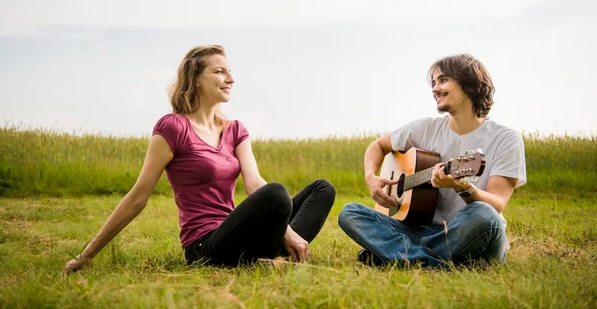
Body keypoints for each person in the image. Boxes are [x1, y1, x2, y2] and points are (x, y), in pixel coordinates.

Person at [64, 45, 335, 272]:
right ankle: (270, 260)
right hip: (206, 245)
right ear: (195, 78)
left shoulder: (235, 129)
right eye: (219, 72)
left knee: (321, 189)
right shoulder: (173, 128)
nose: (230, 79)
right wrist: (85, 255)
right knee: (276, 193)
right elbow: (137, 197)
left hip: (239, 236)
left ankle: (266, 261)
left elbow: (254, 182)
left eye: (230, 72)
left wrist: (285, 228)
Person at [338, 54, 526, 269]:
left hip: (471, 230)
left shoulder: (505, 139)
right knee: (350, 212)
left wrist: (462, 187)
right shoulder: (425, 128)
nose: (435, 88)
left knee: (483, 214)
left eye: (443, 80)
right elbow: (378, 146)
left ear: (469, 83)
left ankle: (397, 254)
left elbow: (496, 204)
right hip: (421, 230)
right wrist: (371, 177)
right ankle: (441, 262)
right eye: (434, 82)